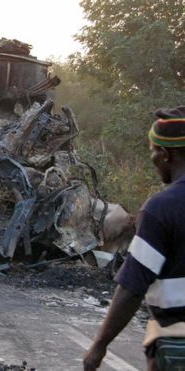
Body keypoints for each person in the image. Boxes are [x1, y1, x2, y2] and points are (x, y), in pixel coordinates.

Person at [84, 106, 185, 371]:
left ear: (166, 154)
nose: (151, 157)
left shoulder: (162, 208)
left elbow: (132, 287)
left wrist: (99, 346)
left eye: (153, 150)